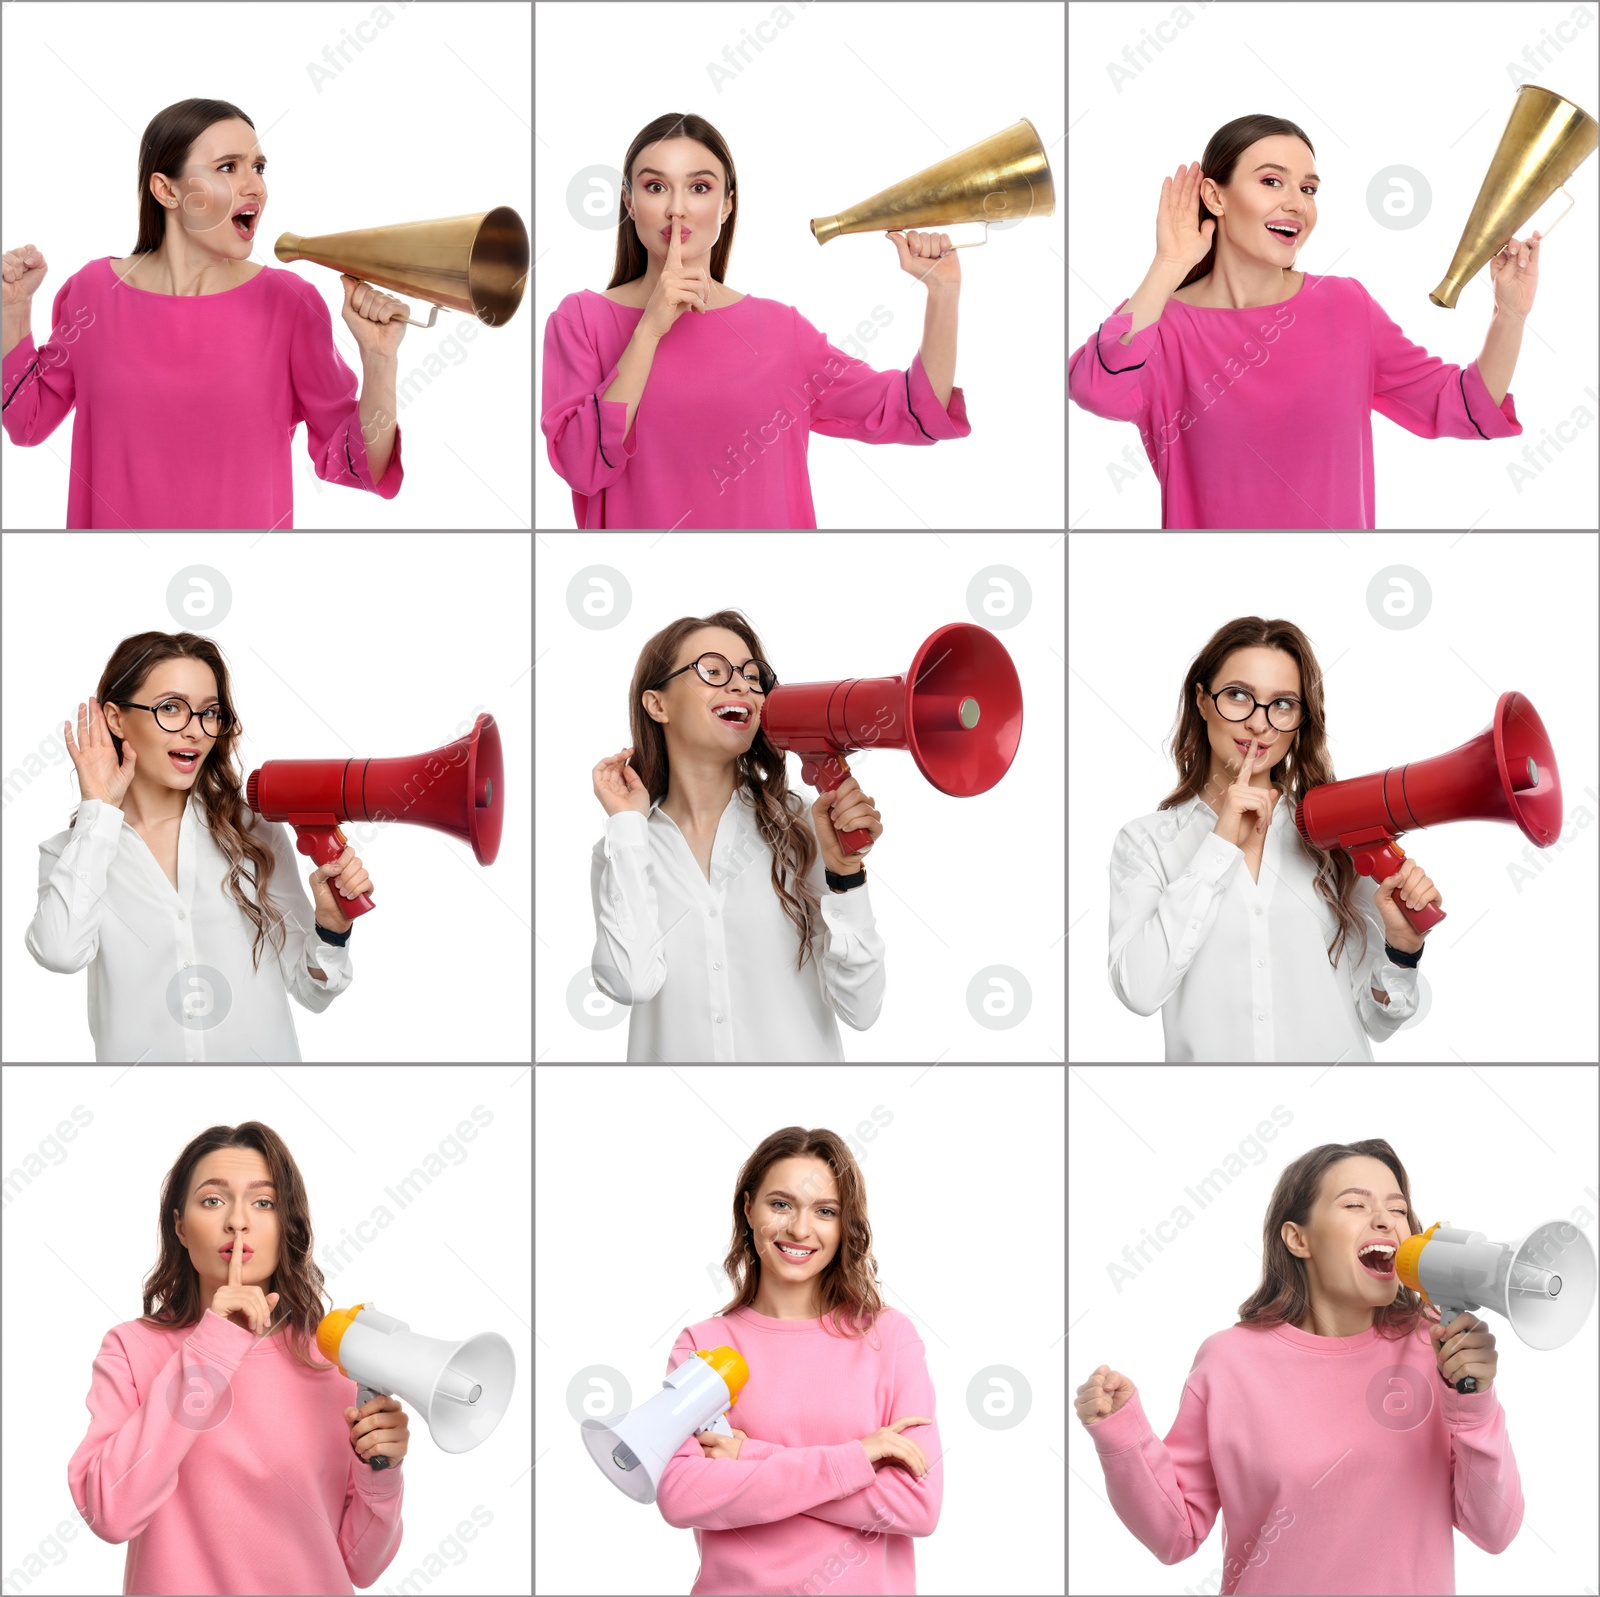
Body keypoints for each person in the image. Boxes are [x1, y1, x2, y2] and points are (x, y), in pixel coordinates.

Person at [1076, 1140, 1520, 1595]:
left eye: (1399, 1209)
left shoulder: (1435, 1349)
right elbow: (1175, 1535)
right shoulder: (1230, 1362)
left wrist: (1474, 1404)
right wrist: (1123, 1436)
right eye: (1354, 1204)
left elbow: (1494, 1530)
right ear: (1297, 1238)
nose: (1386, 1219)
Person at [1068, 115, 1538, 529]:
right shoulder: (1163, 327)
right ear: (1215, 196)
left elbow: (1461, 403)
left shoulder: (1345, 306)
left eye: (1308, 189)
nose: (1298, 204)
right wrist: (1169, 263)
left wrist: (1509, 316)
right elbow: (1095, 389)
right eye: (1272, 181)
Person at [541, 111, 970, 528]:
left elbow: (914, 411)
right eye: (655, 186)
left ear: (727, 205)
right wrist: (649, 329)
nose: (677, 208)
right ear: (629, 202)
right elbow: (582, 468)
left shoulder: (782, 331)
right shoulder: (581, 320)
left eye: (699, 187)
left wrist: (944, 292)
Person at [1, 97, 407, 528]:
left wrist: (380, 360)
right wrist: (13, 308)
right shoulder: (93, 292)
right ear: (167, 190)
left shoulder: (290, 303)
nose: (256, 187)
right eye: (228, 167)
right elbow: (26, 422)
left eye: (259, 167)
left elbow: (356, 463)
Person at [68, 1122, 409, 1595]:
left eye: (264, 1202)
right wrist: (212, 1347)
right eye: (213, 1200)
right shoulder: (131, 1350)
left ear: (286, 1226)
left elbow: (360, 1565)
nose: (238, 1220)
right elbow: (108, 1512)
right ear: (180, 1227)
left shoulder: (333, 1358)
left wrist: (383, 1473)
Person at [1108, 616, 1443, 1061]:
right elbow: (1139, 989)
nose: (1258, 724)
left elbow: (1377, 1021)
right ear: (1202, 701)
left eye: (1282, 704)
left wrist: (1401, 951)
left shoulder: (1334, 831)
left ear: (1300, 720)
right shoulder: (1146, 843)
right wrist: (1219, 845)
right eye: (1238, 696)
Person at [25, 631, 369, 1060]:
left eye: (210, 712)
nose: (195, 731)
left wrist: (331, 929)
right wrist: (99, 809)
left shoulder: (253, 832)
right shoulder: (71, 853)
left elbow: (312, 990)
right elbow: (59, 952)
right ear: (115, 718)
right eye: (171, 707)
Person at [589, 609, 886, 1061]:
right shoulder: (623, 847)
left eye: (753, 676)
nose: (742, 685)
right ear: (658, 704)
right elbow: (630, 982)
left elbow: (861, 1008)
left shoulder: (803, 828)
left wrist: (846, 875)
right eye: (713, 670)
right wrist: (627, 827)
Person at [654, 1129, 941, 1595]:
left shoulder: (889, 1338)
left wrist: (752, 1455)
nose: (800, 1229)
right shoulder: (702, 1346)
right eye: (781, 1204)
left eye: (824, 1211)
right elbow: (683, 1496)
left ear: (844, 1224)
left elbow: (915, 1506)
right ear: (748, 1208)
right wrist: (857, 1458)